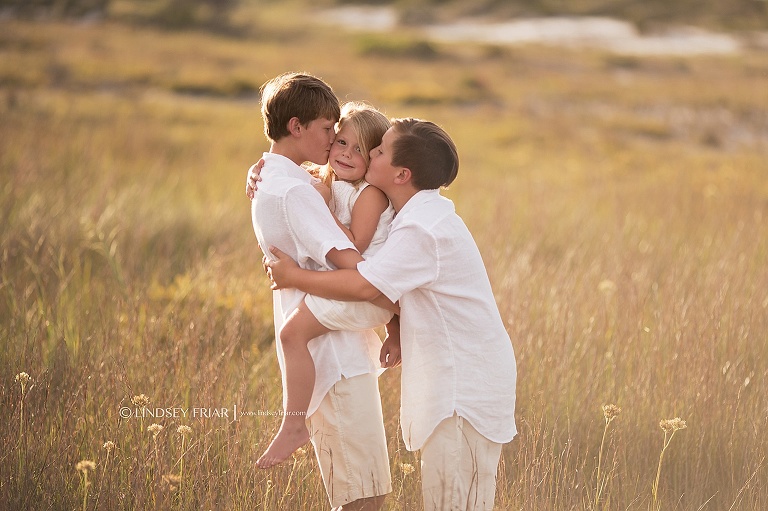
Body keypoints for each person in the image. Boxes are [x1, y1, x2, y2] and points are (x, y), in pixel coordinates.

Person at [263, 118, 518, 511]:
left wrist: (292, 276)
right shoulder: (414, 216)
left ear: (401, 174)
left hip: (462, 392)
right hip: (459, 384)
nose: (371, 153)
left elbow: (367, 286)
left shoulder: (422, 229)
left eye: (378, 150)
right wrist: (265, 169)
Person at [249, 72, 393, 510]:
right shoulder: (295, 192)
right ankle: (291, 425)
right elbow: (351, 263)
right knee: (362, 496)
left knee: (363, 490)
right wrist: (394, 305)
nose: (334, 142)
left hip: (332, 346)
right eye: (329, 130)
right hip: (335, 359)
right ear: (296, 127)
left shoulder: (276, 180)